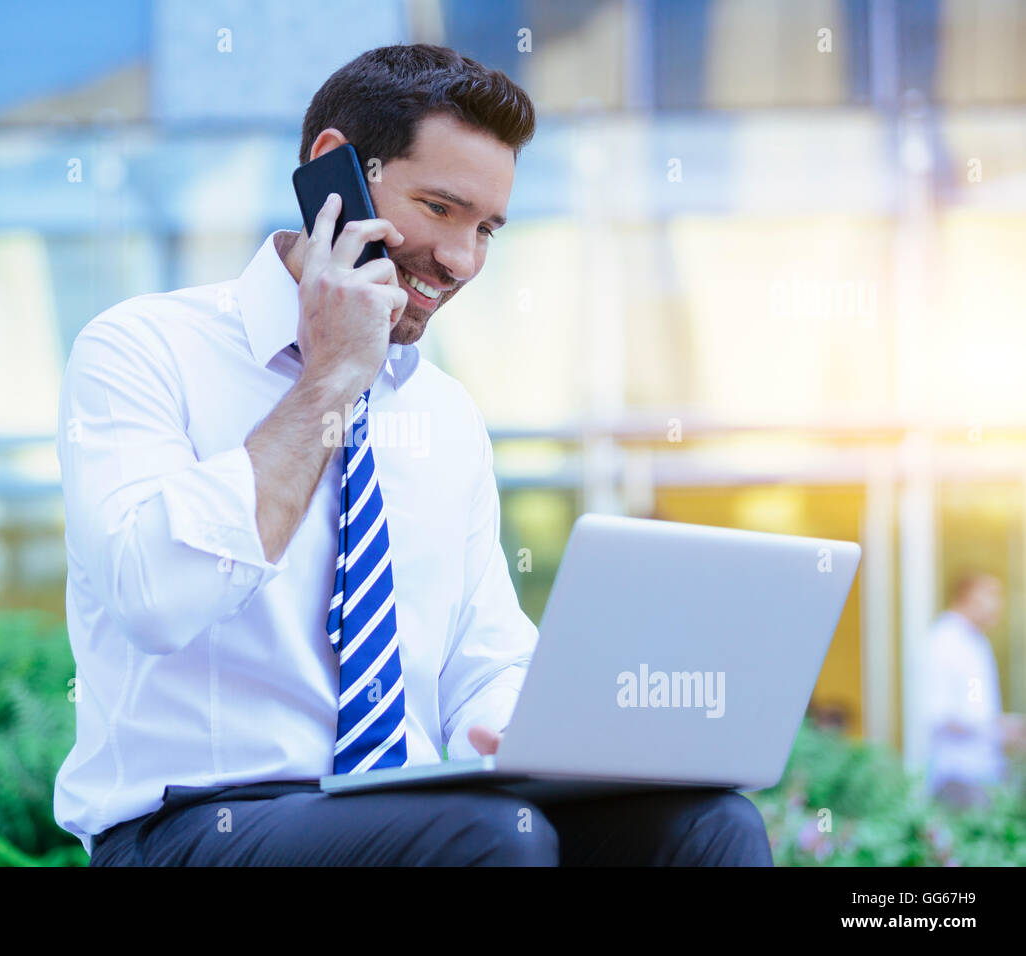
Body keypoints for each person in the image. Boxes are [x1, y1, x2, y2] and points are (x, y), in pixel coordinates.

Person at [53, 43, 771, 866]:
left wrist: (524, 728)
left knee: (711, 826)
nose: (463, 261)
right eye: (440, 208)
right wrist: (329, 379)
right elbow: (154, 599)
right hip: (193, 824)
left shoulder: (444, 413)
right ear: (337, 171)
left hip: (422, 812)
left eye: (487, 229)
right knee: (486, 836)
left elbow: (486, 655)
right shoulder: (142, 349)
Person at [922, 571, 1009, 810]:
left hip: (985, 771)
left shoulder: (977, 642)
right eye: (991, 595)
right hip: (957, 776)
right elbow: (941, 715)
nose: (997, 604)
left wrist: (1003, 727)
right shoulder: (944, 641)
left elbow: (975, 707)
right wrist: (993, 730)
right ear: (967, 595)